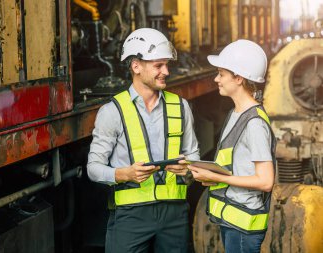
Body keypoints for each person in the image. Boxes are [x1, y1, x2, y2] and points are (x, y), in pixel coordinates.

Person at [87, 28, 200, 253]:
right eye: (158, 65)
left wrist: (188, 170)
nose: (166, 71)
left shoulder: (180, 106)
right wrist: (123, 174)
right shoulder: (112, 112)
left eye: (167, 64)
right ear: (136, 66)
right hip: (130, 216)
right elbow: (93, 168)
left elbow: (194, 155)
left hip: (174, 215)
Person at [188, 39, 276, 253]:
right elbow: (235, 164)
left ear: (238, 78)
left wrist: (217, 178)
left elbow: (265, 181)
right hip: (233, 219)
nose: (216, 79)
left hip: (245, 226)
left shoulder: (254, 124)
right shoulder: (235, 114)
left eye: (221, 73)